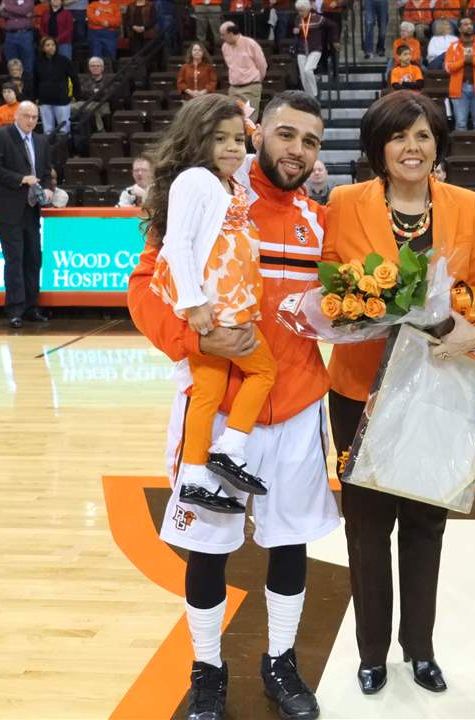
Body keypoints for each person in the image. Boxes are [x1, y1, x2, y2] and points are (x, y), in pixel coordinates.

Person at [127, 90, 333, 720]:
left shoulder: (320, 220)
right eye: (286, 135)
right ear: (256, 133)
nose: (297, 151)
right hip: (216, 409)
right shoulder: (208, 197)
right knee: (207, 547)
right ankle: (208, 669)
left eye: (311, 142)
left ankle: (281, 661)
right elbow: (144, 289)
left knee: (290, 543)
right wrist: (197, 339)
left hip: (296, 406)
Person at [321, 89, 475, 697]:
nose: (411, 147)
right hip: (359, 389)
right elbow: (328, 292)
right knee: (367, 529)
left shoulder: (467, 205)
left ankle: (420, 648)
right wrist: (357, 310)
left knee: (425, 523)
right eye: (398, 136)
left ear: (438, 145)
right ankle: (371, 653)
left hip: (436, 388)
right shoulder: (343, 204)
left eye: (423, 136)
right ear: (379, 147)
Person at [147, 94, 276, 521]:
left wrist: (254, 130)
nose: (232, 147)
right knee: (260, 372)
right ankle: (225, 451)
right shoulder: (194, 180)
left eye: (237, 139)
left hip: (231, 299)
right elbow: (178, 243)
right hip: (214, 305)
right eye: (219, 139)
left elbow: (251, 157)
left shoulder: (228, 181)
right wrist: (193, 302)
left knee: (210, 390)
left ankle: (199, 471)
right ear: (197, 139)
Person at [0, 101, 52, 328]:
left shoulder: (41, 141)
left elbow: (46, 172)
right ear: (16, 116)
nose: (31, 120)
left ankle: (31, 307)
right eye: (27, 116)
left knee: (33, 258)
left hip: (31, 208)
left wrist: (48, 188)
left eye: (34, 117)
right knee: (15, 258)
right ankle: (15, 309)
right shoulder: (1, 135)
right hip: (7, 209)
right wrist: (20, 179)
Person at [445, 17, 475, 132]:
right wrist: (463, 61)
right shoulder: (453, 46)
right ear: (459, 29)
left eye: (470, 24)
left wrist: (473, 60)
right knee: (460, 125)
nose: (469, 26)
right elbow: (448, 67)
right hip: (459, 88)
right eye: (465, 24)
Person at [32, 36, 77, 136]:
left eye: (53, 45)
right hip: (44, 100)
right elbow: (35, 81)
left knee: (64, 129)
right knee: (48, 130)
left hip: (61, 100)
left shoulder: (64, 60)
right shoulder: (37, 62)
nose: (51, 47)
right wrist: (35, 97)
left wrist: (75, 94)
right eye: (47, 45)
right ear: (42, 48)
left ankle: (65, 145)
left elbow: (74, 78)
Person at [221, 22, 266, 121]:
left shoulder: (250, 44)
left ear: (230, 33)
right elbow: (230, 66)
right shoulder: (224, 47)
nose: (221, 37)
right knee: (233, 119)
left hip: (250, 87)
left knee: (249, 121)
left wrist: (257, 81)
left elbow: (262, 65)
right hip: (234, 88)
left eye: (223, 35)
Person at [290, 0, 323, 99]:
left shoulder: (316, 17)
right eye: (299, 10)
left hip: (314, 47)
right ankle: (309, 96)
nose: (300, 12)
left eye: (302, 10)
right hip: (301, 48)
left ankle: (314, 94)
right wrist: (296, 30)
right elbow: (297, 28)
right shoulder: (297, 18)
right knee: (303, 74)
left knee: (308, 70)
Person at [72, 55, 114, 131]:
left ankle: (101, 132)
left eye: (98, 66)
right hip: (85, 103)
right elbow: (81, 94)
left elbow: (107, 95)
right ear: (89, 68)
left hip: (102, 104)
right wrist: (95, 93)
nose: (95, 68)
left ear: (102, 68)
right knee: (68, 108)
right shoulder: (84, 80)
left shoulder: (108, 81)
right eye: (93, 66)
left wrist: (90, 94)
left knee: (94, 109)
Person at [1, 0, 35, 73]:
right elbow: (4, 13)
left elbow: (24, 10)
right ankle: (14, 80)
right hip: (10, 35)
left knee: (28, 64)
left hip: (25, 35)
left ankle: (27, 80)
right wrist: (21, 13)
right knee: (11, 64)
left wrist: (6, 7)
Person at [317, 0, 346, 81]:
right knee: (322, 42)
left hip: (335, 14)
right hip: (322, 13)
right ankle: (323, 68)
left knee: (334, 43)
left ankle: (335, 72)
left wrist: (338, 3)